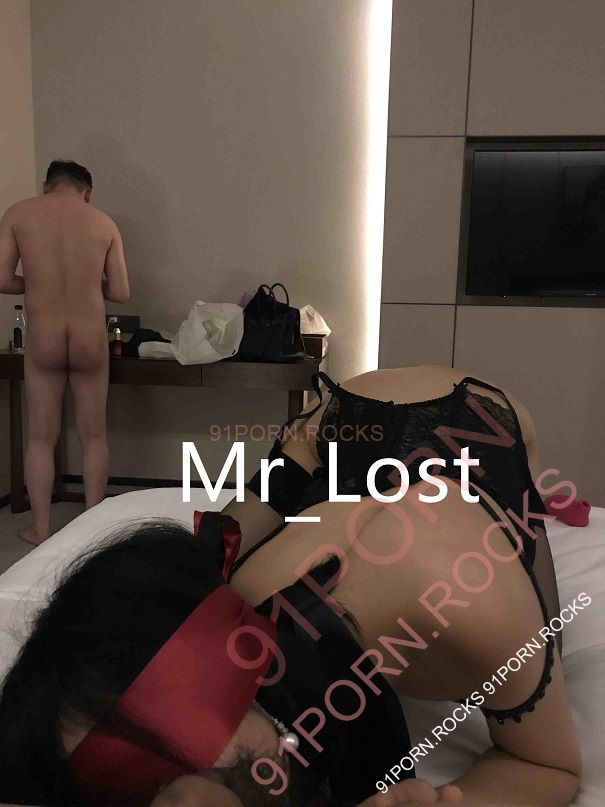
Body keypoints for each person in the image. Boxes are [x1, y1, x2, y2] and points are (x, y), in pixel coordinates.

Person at [0, 367, 580, 806]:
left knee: (548, 634)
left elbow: (550, 766)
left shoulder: (457, 595)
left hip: (476, 418)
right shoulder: (229, 589)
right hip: (329, 428)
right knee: (258, 505)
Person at [0, 160, 130, 544]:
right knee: (94, 436)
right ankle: (91, 530)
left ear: (47, 186)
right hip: (89, 338)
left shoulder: (18, 214)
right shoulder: (103, 222)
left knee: (41, 437)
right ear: (87, 192)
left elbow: (2, 279)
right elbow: (121, 292)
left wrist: (38, 278)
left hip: (45, 338)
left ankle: (41, 530)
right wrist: (86, 280)